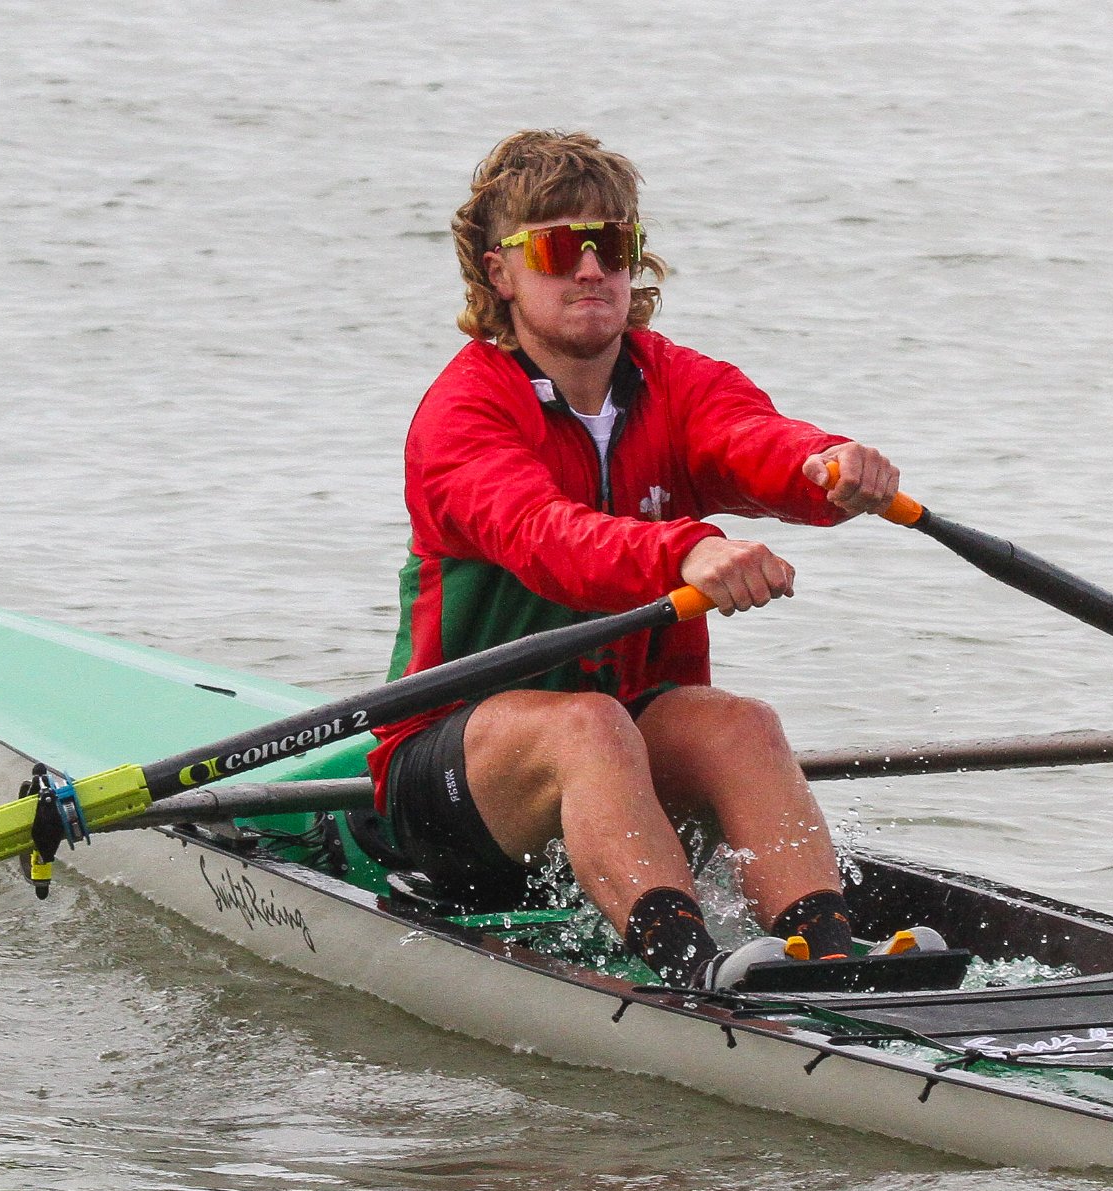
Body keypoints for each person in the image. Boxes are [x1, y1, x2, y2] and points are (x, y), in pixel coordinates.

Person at [367, 130, 940, 990]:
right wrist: (691, 550)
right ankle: (692, 972)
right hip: (451, 782)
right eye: (561, 247)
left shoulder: (671, 382)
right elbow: (545, 537)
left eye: (614, 245)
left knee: (739, 722)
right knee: (586, 725)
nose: (593, 270)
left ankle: (826, 956)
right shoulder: (463, 413)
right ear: (501, 274)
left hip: (622, 747)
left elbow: (752, 440)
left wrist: (828, 466)